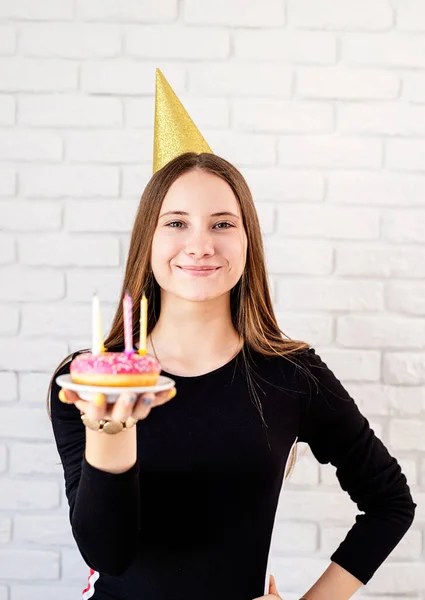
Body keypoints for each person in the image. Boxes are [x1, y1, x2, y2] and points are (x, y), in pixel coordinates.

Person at [47, 72, 416, 600]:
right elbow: (107, 554)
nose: (200, 245)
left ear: (248, 242)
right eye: (176, 223)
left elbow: (390, 503)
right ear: (147, 240)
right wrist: (111, 428)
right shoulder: (88, 381)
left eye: (222, 224)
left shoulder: (292, 375)